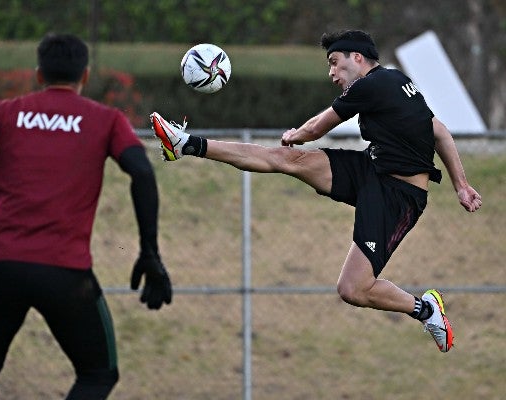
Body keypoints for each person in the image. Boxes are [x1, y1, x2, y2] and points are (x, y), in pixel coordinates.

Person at [151, 29, 482, 353]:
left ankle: (426, 310)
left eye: (335, 63)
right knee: (288, 161)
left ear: (358, 57)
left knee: (352, 288)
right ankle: (186, 144)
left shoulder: (372, 84)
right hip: (371, 170)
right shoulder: (396, 82)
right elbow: (438, 131)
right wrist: (461, 186)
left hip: (397, 195)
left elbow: (317, 127)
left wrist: (297, 134)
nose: (332, 73)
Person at [0, 33, 172, 399]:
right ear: (84, 76)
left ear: (39, 75)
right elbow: (142, 172)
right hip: (65, 272)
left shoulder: (5, 113)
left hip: (2, 266)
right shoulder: (106, 119)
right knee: (98, 375)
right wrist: (150, 253)